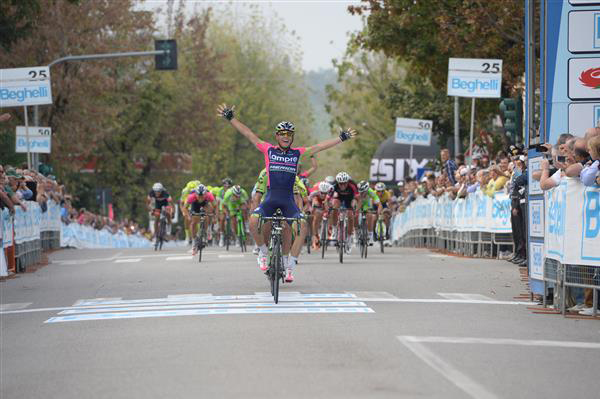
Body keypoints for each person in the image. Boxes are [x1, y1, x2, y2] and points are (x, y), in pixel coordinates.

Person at [217, 103, 357, 282]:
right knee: (253, 220)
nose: (286, 137)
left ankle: (289, 264)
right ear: (277, 136)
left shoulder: (297, 153)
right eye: (282, 134)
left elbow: (320, 146)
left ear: (292, 137)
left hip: (288, 201)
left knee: (303, 226)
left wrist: (342, 137)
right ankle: (263, 253)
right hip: (271, 198)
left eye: (289, 134)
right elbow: (249, 134)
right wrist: (231, 118)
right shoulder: (268, 150)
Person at [328, 172, 359, 251]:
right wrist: (329, 206)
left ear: (347, 182)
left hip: (350, 198)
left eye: (344, 183)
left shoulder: (353, 185)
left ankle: (349, 237)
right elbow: (328, 198)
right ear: (337, 182)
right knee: (334, 207)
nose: (342, 186)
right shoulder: (334, 185)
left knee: (350, 216)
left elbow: (356, 198)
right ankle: (334, 228)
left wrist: (354, 205)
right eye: (340, 184)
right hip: (339, 197)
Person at [186, 184, 215, 255]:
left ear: (205, 194)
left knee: (207, 214)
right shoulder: (191, 197)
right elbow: (185, 207)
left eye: (202, 196)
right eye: (199, 196)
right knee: (193, 223)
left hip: (205, 205)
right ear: (196, 194)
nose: (201, 198)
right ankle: (194, 241)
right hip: (195, 205)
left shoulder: (209, 195)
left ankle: (207, 230)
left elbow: (216, 205)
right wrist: (188, 216)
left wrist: (215, 216)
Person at [356, 180, 382, 244]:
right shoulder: (356, 192)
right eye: (360, 192)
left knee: (369, 215)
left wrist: (378, 213)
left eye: (363, 192)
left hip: (367, 205)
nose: (362, 193)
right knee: (355, 216)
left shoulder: (371, 192)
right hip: (358, 203)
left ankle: (370, 235)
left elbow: (379, 205)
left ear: (367, 190)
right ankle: (356, 233)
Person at [308, 181, 332, 249]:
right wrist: (310, 209)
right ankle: (315, 235)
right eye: (322, 193)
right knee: (316, 215)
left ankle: (329, 230)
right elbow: (308, 201)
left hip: (326, 202)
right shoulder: (314, 192)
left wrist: (329, 210)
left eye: (325, 193)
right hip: (316, 201)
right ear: (319, 191)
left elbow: (331, 205)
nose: (323, 195)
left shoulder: (330, 193)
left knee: (327, 206)